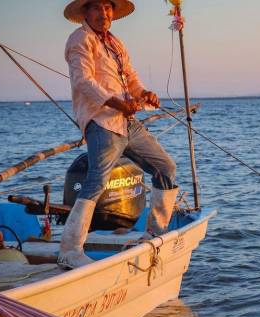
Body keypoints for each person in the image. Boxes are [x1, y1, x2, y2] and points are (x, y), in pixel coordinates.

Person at [59, 0, 178, 269]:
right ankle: (69, 251)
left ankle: (155, 235)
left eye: (108, 8)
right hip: (102, 121)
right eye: (97, 8)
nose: (104, 13)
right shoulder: (79, 40)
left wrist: (143, 94)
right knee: (96, 182)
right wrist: (117, 103)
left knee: (165, 167)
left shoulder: (115, 42)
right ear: (85, 13)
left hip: (127, 122)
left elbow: (131, 79)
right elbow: (83, 81)